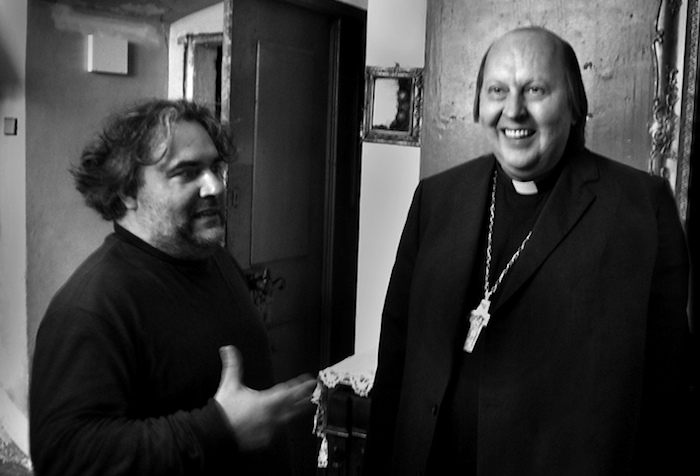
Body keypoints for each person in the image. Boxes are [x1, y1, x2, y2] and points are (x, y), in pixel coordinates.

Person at [362, 27, 693, 475]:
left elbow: (667, 390)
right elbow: (396, 356)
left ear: (574, 106)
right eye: (497, 90)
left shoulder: (639, 208)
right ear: (479, 104)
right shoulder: (437, 199)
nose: (513, 109)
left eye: (535, 90)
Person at [29, 99, 317, 475]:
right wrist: (217, 429)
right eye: (187, 172)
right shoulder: (90, 307)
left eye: (216, 167)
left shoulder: (216, 261)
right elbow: (65, 459)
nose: (215, 185)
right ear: (127, 191)